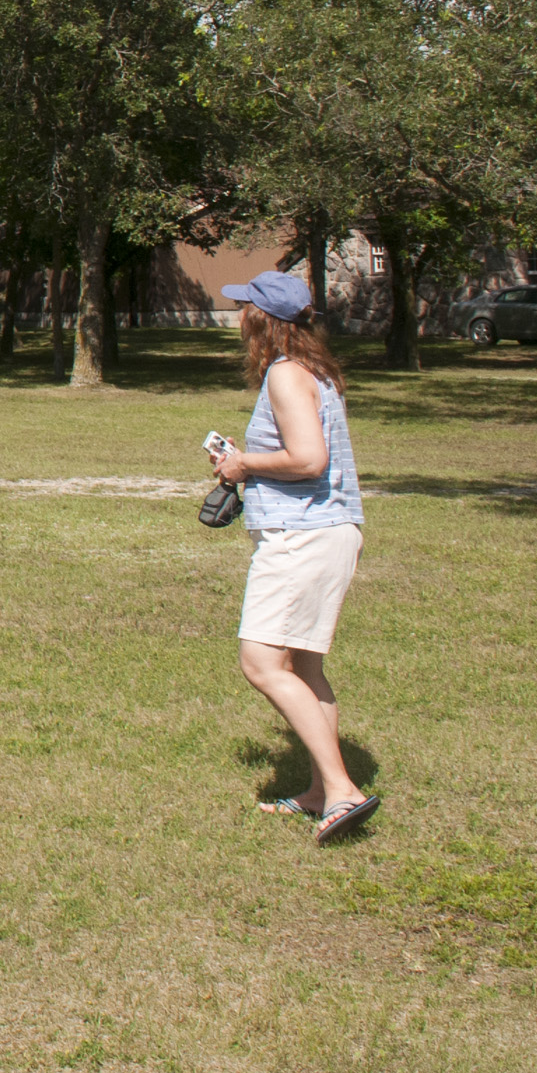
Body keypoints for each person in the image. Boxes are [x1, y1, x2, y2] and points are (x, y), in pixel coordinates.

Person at [208, 270, 380, 844]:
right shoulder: (316, 371)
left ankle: (342, 790)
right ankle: (317, 791)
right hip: (330, 530)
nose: (238, 318)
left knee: (261, 664)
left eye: (244, 308)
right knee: (305, 667)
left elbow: (307, 459)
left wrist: (244, 465)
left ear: (261, 319)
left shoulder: (284, 374)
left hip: (302, 537)